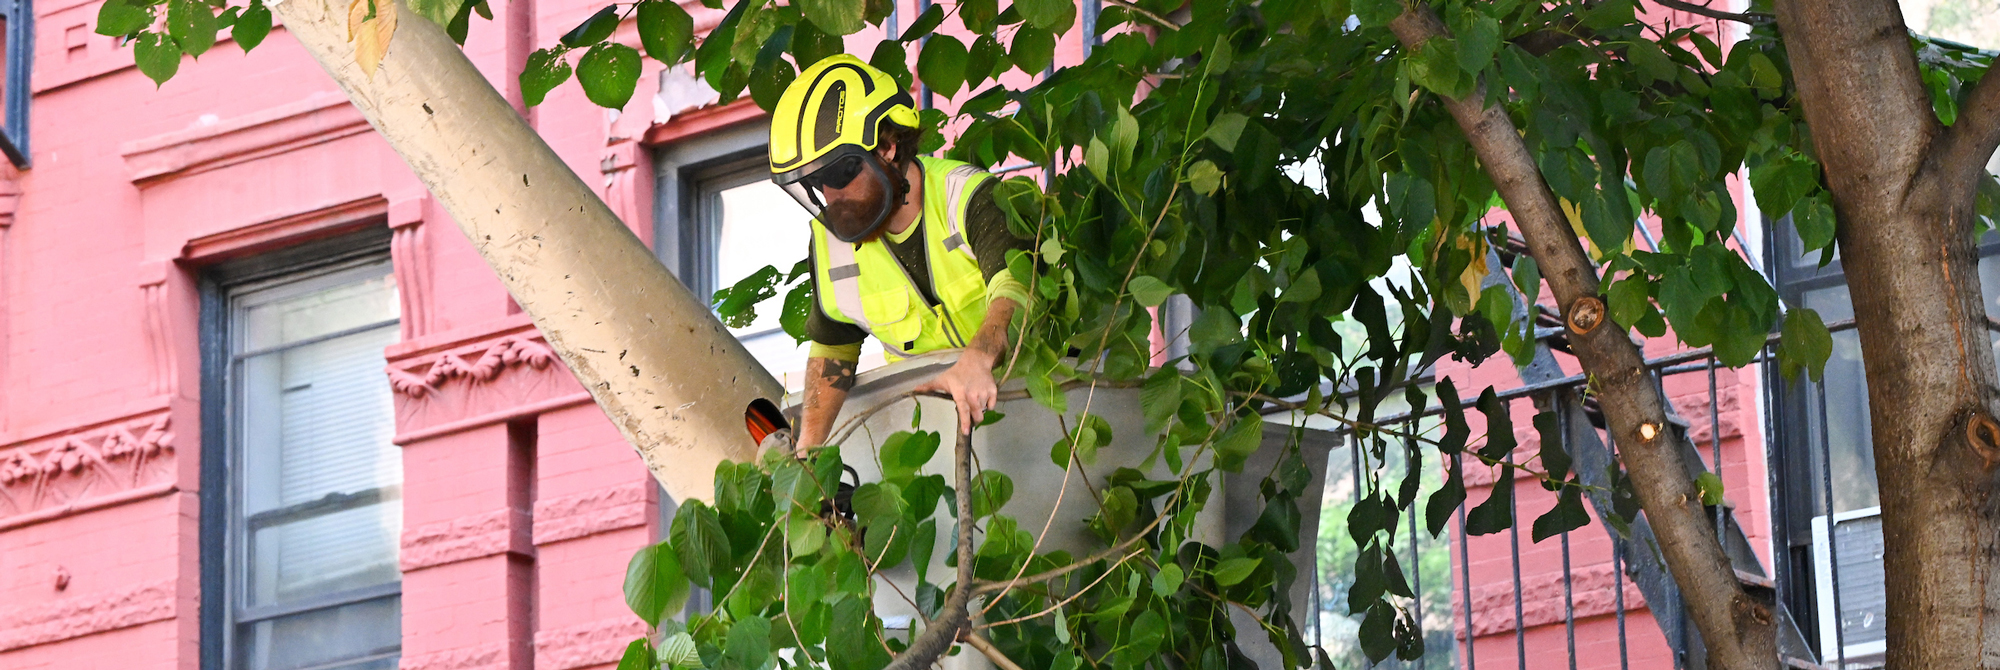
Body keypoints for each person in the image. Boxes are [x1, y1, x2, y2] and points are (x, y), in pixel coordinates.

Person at [768, 55, 1032, 450]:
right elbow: (834, 349)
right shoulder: (830, 245)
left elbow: (1016, 284)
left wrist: (978, 357)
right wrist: (809, 453)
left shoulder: (968, 198)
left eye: (840, 173)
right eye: (818, 182)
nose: (833, 196)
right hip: (936, 441)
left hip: (1037, 409)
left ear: (888, 146)